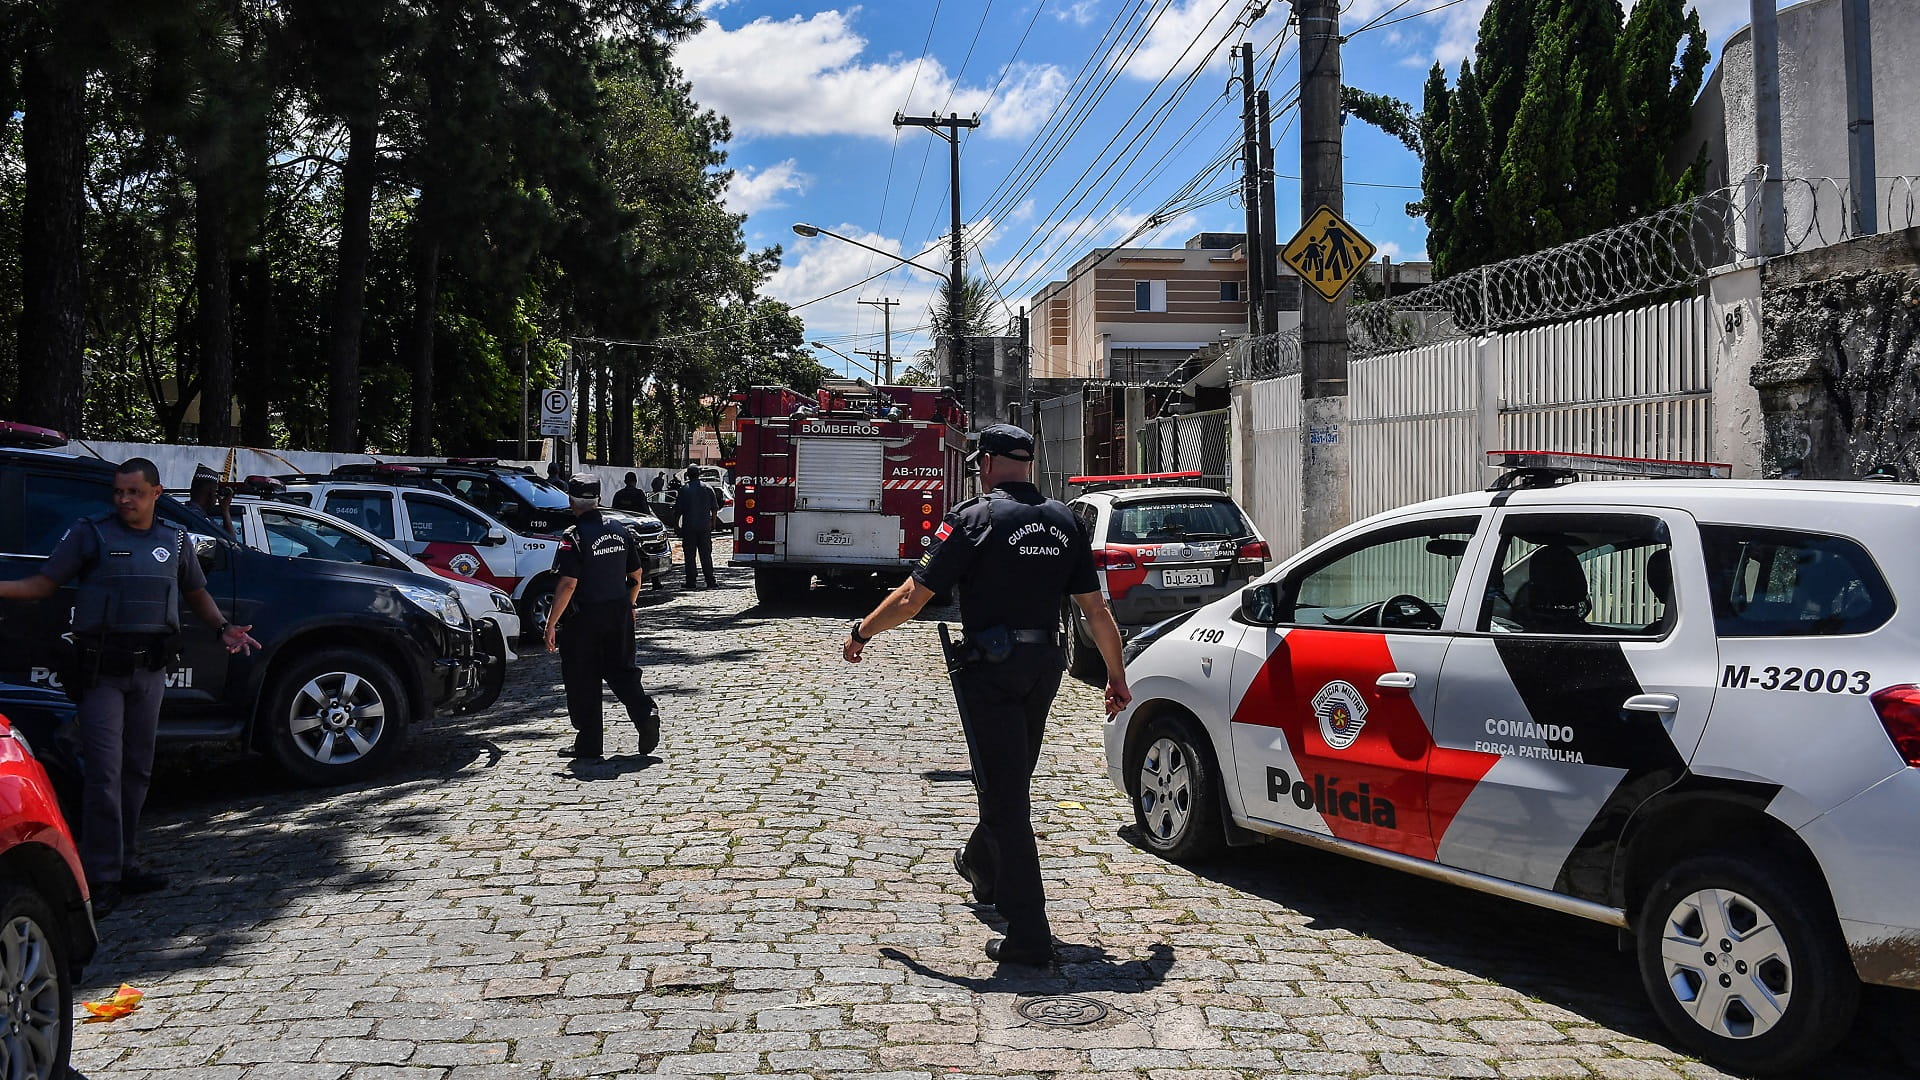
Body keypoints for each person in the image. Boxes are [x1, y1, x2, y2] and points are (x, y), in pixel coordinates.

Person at [841, 424, 1130, 967]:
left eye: (979, 462)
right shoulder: (1066, 520)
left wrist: (863, 632)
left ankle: (1029, 935)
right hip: (1046, 665)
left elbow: (912, 596)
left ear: (991, 462)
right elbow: (1096, 611)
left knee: (1004, 799)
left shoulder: (973, 519)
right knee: (1010, 779)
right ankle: (981, 864)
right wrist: (1116, 676)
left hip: (991, 668)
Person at [0, 458, 260, 916]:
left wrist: (223, 628)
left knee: (138, 770)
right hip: (102, 672)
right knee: (103, 772)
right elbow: (42, 584)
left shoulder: (175, 539)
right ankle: (100, 877)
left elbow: (195, 592)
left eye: (133, 492)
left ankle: (126, 864)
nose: (123, 500)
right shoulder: (91, 533)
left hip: (151, 671)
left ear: (156, 493)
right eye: (118, 492)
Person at [545, 474, 660, 760]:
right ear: (598, 499)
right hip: (618, 612)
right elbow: (636, 574)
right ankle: (645, 714)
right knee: (622, 671)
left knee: (582, 678)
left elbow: (568, 583)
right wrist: (631, 606)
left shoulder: (574, 536)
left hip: (584, 619)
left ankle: (589, 743)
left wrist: (550, 624)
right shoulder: (620, 530)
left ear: (571, 501)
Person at [674, 464, 720, 589]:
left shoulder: (684, 490)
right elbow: (714, 508)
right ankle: (710, 580)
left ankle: (691, 581)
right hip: (704, 526)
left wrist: (676, 526)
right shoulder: (708, 488)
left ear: (688, 475)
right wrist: (713, 523)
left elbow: (678, 511)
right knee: (706, 554)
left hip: (689, 526)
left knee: (690, 555)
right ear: (699, 474)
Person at [183, 465, 236, 538]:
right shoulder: (203, 522)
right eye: (215, 493)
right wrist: (225, 511)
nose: (216, 498)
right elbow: (231, 543)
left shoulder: (180, 512)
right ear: (210, 494)